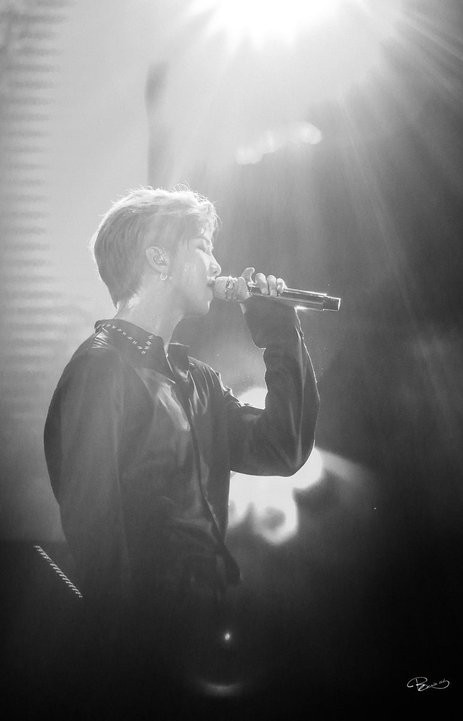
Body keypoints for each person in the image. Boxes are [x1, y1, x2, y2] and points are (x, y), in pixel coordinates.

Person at [43, 186, 319, 699]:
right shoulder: (100, 371)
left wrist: (281, 335)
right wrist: (133, 660)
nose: (217, 265)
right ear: (159, 258)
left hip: (208, 630)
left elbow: (281, 449)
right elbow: (97, 532)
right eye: (203, 247)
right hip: (144, 653)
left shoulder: (196, 380)